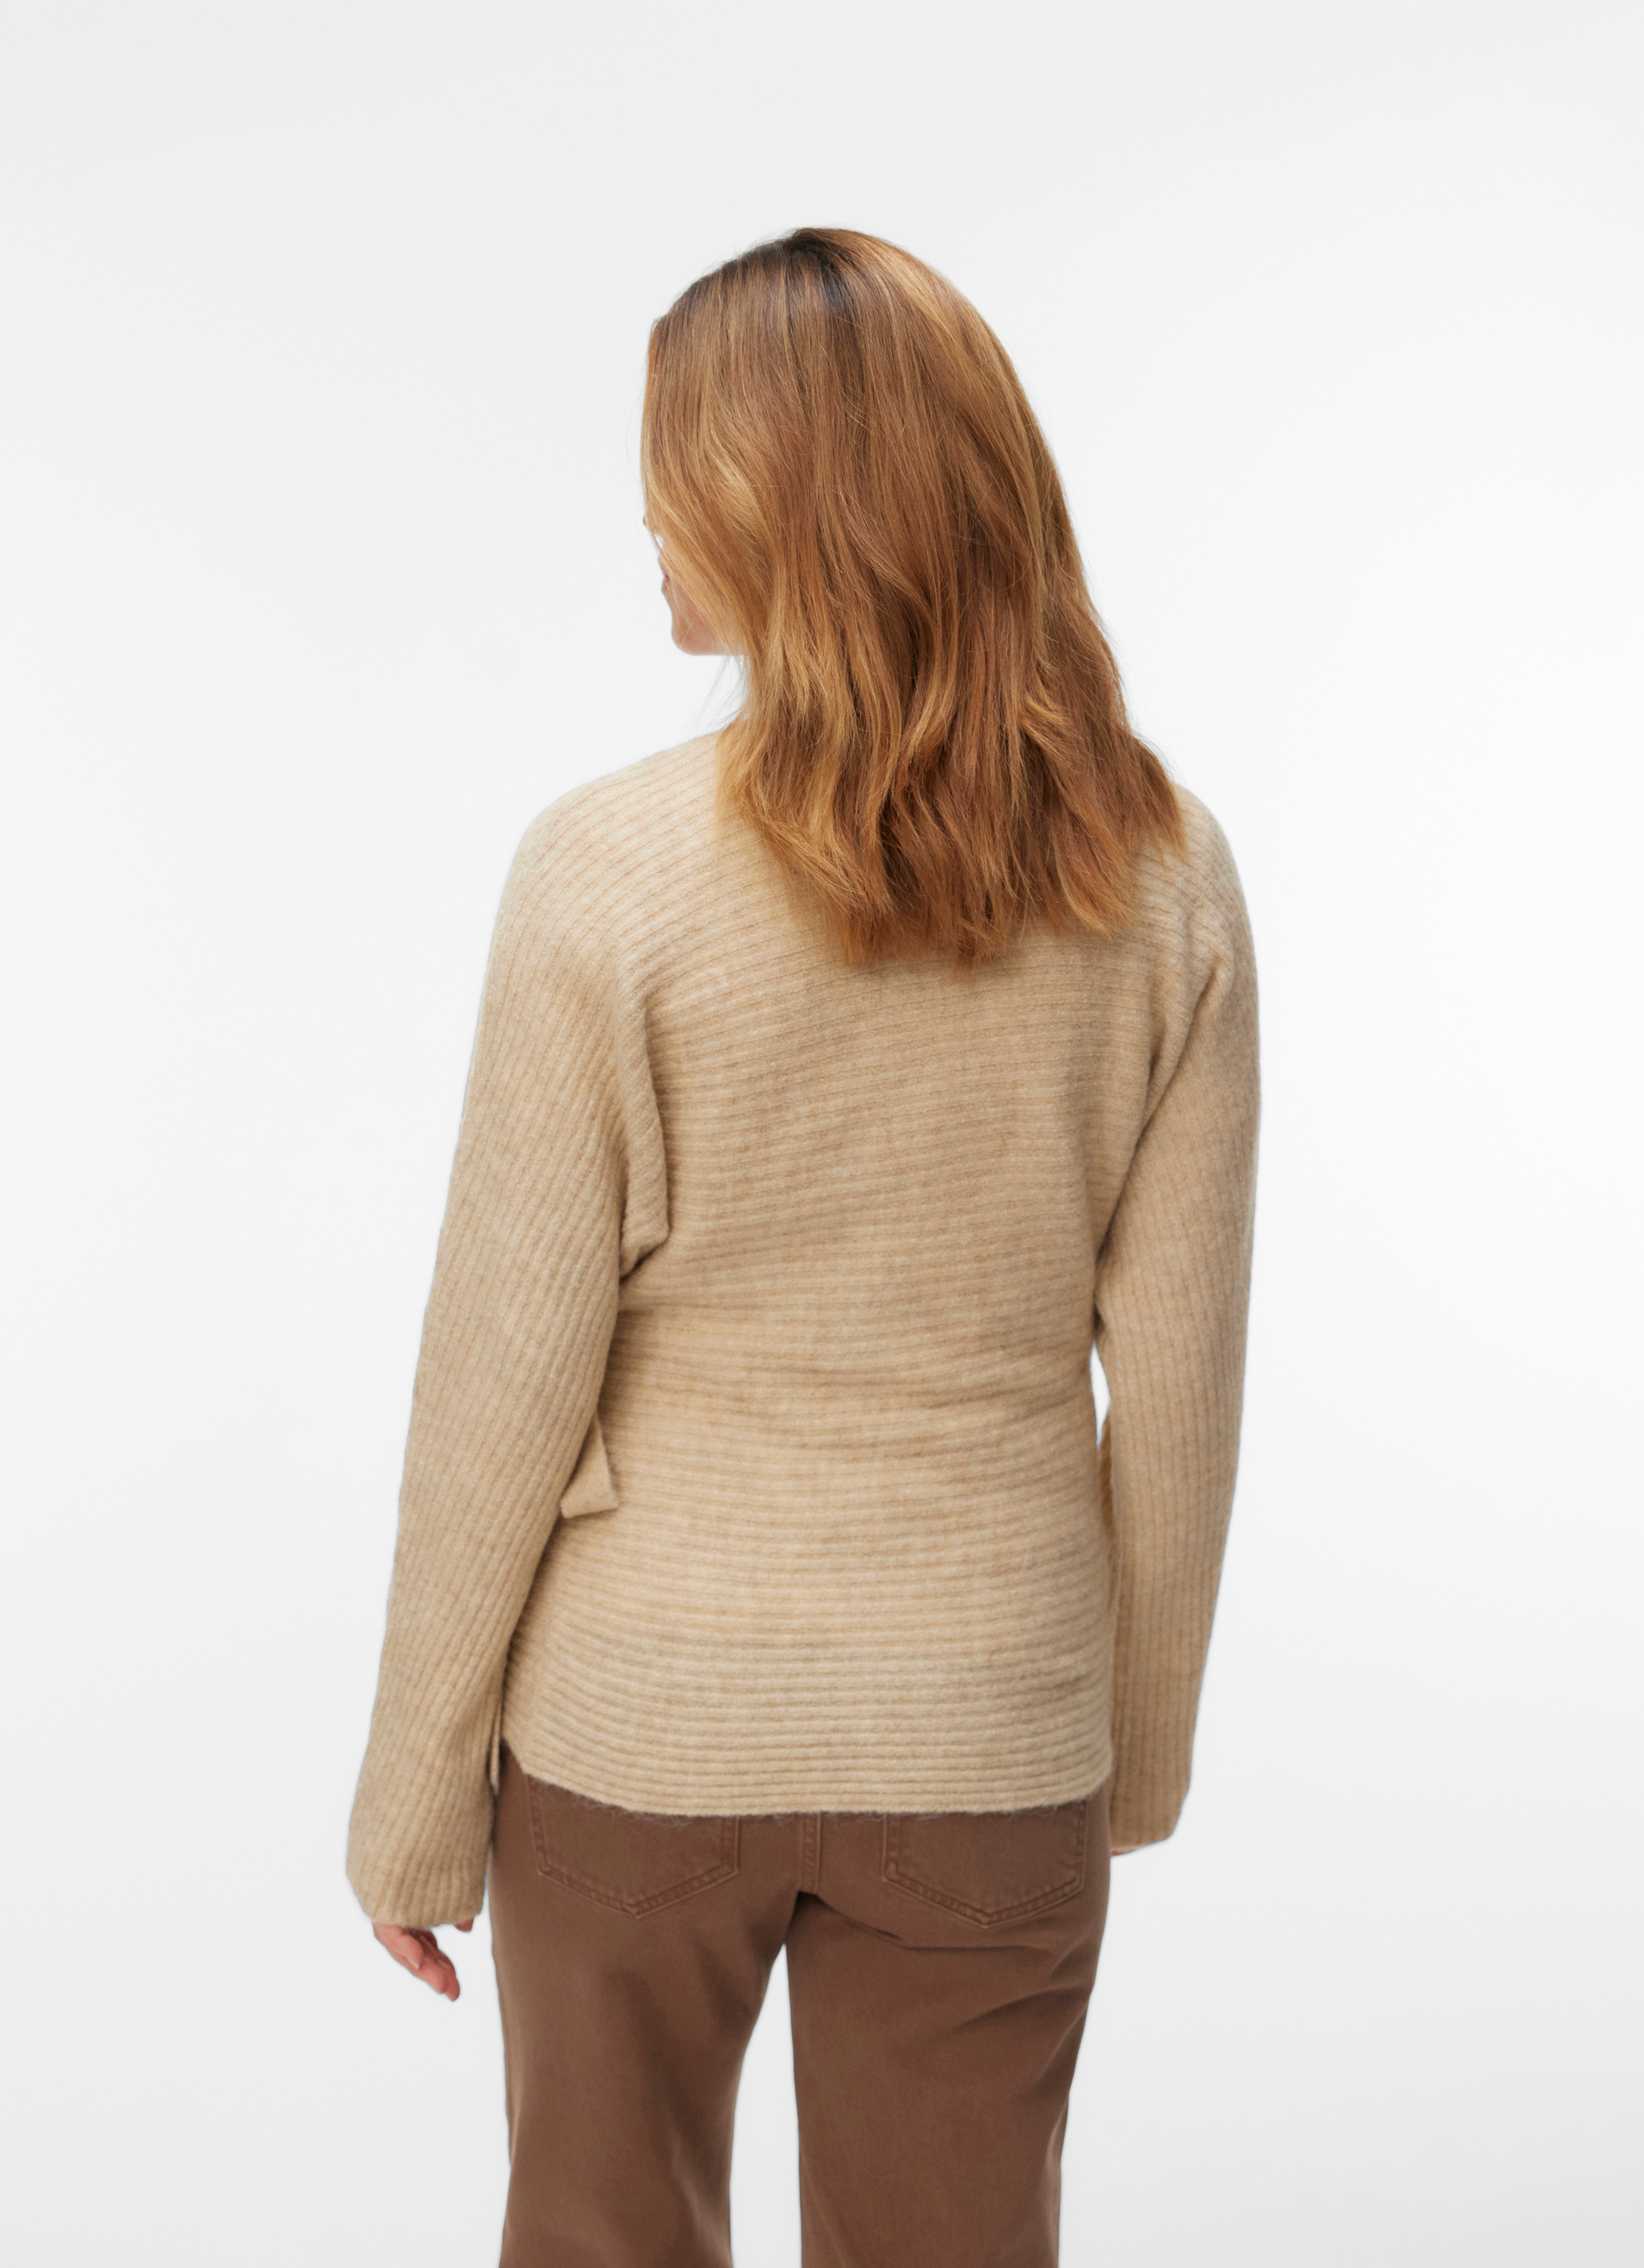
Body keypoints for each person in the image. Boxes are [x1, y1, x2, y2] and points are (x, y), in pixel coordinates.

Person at [347, 226, 1260, 2267]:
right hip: (990, 1725)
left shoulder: (606, 874)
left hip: (638, 1730)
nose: (645, 518)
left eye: (678, 468)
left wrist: (415, 1794)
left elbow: (501, 1380)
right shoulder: (1165, 875)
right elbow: (1182, 1388)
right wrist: (1122, 1756)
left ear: (784, 508)